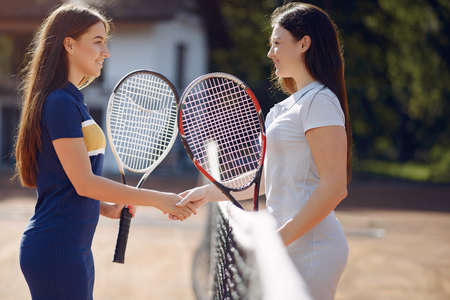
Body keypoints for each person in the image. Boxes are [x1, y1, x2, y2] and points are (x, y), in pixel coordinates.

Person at [14, 4, 193, 300]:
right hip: (56, 249)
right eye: (97, 41)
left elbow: (66, 184)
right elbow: (85, 183)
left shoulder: (72, 100)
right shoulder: (60, 103)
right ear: (69, 44)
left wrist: (107, 208)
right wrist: (162, 201)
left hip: (72, 250)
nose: (106, 52)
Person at [176, 2, 352, 299]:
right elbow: (266, 180)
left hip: (312, 249)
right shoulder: (285, 107)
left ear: (304, 44)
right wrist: (206, 194)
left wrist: (276, 241)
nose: (270, 53)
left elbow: (334, 187)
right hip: (285, 245)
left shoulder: (319, 101)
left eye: (277, 43)